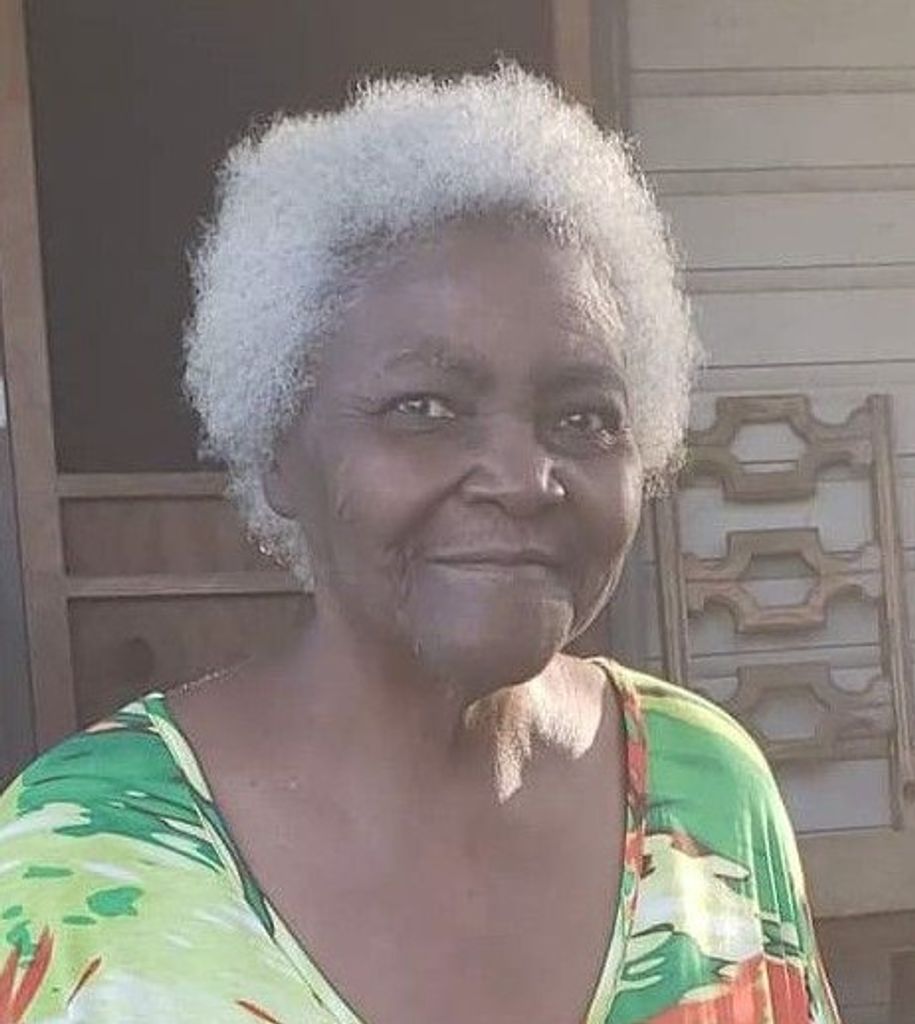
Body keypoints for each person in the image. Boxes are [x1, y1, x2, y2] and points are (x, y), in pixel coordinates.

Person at [0, 66, 840, 1023]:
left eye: (583, 418)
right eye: (424, 409)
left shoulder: (708, 792)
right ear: (279, 452)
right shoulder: (68, 858)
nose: (523, 479)